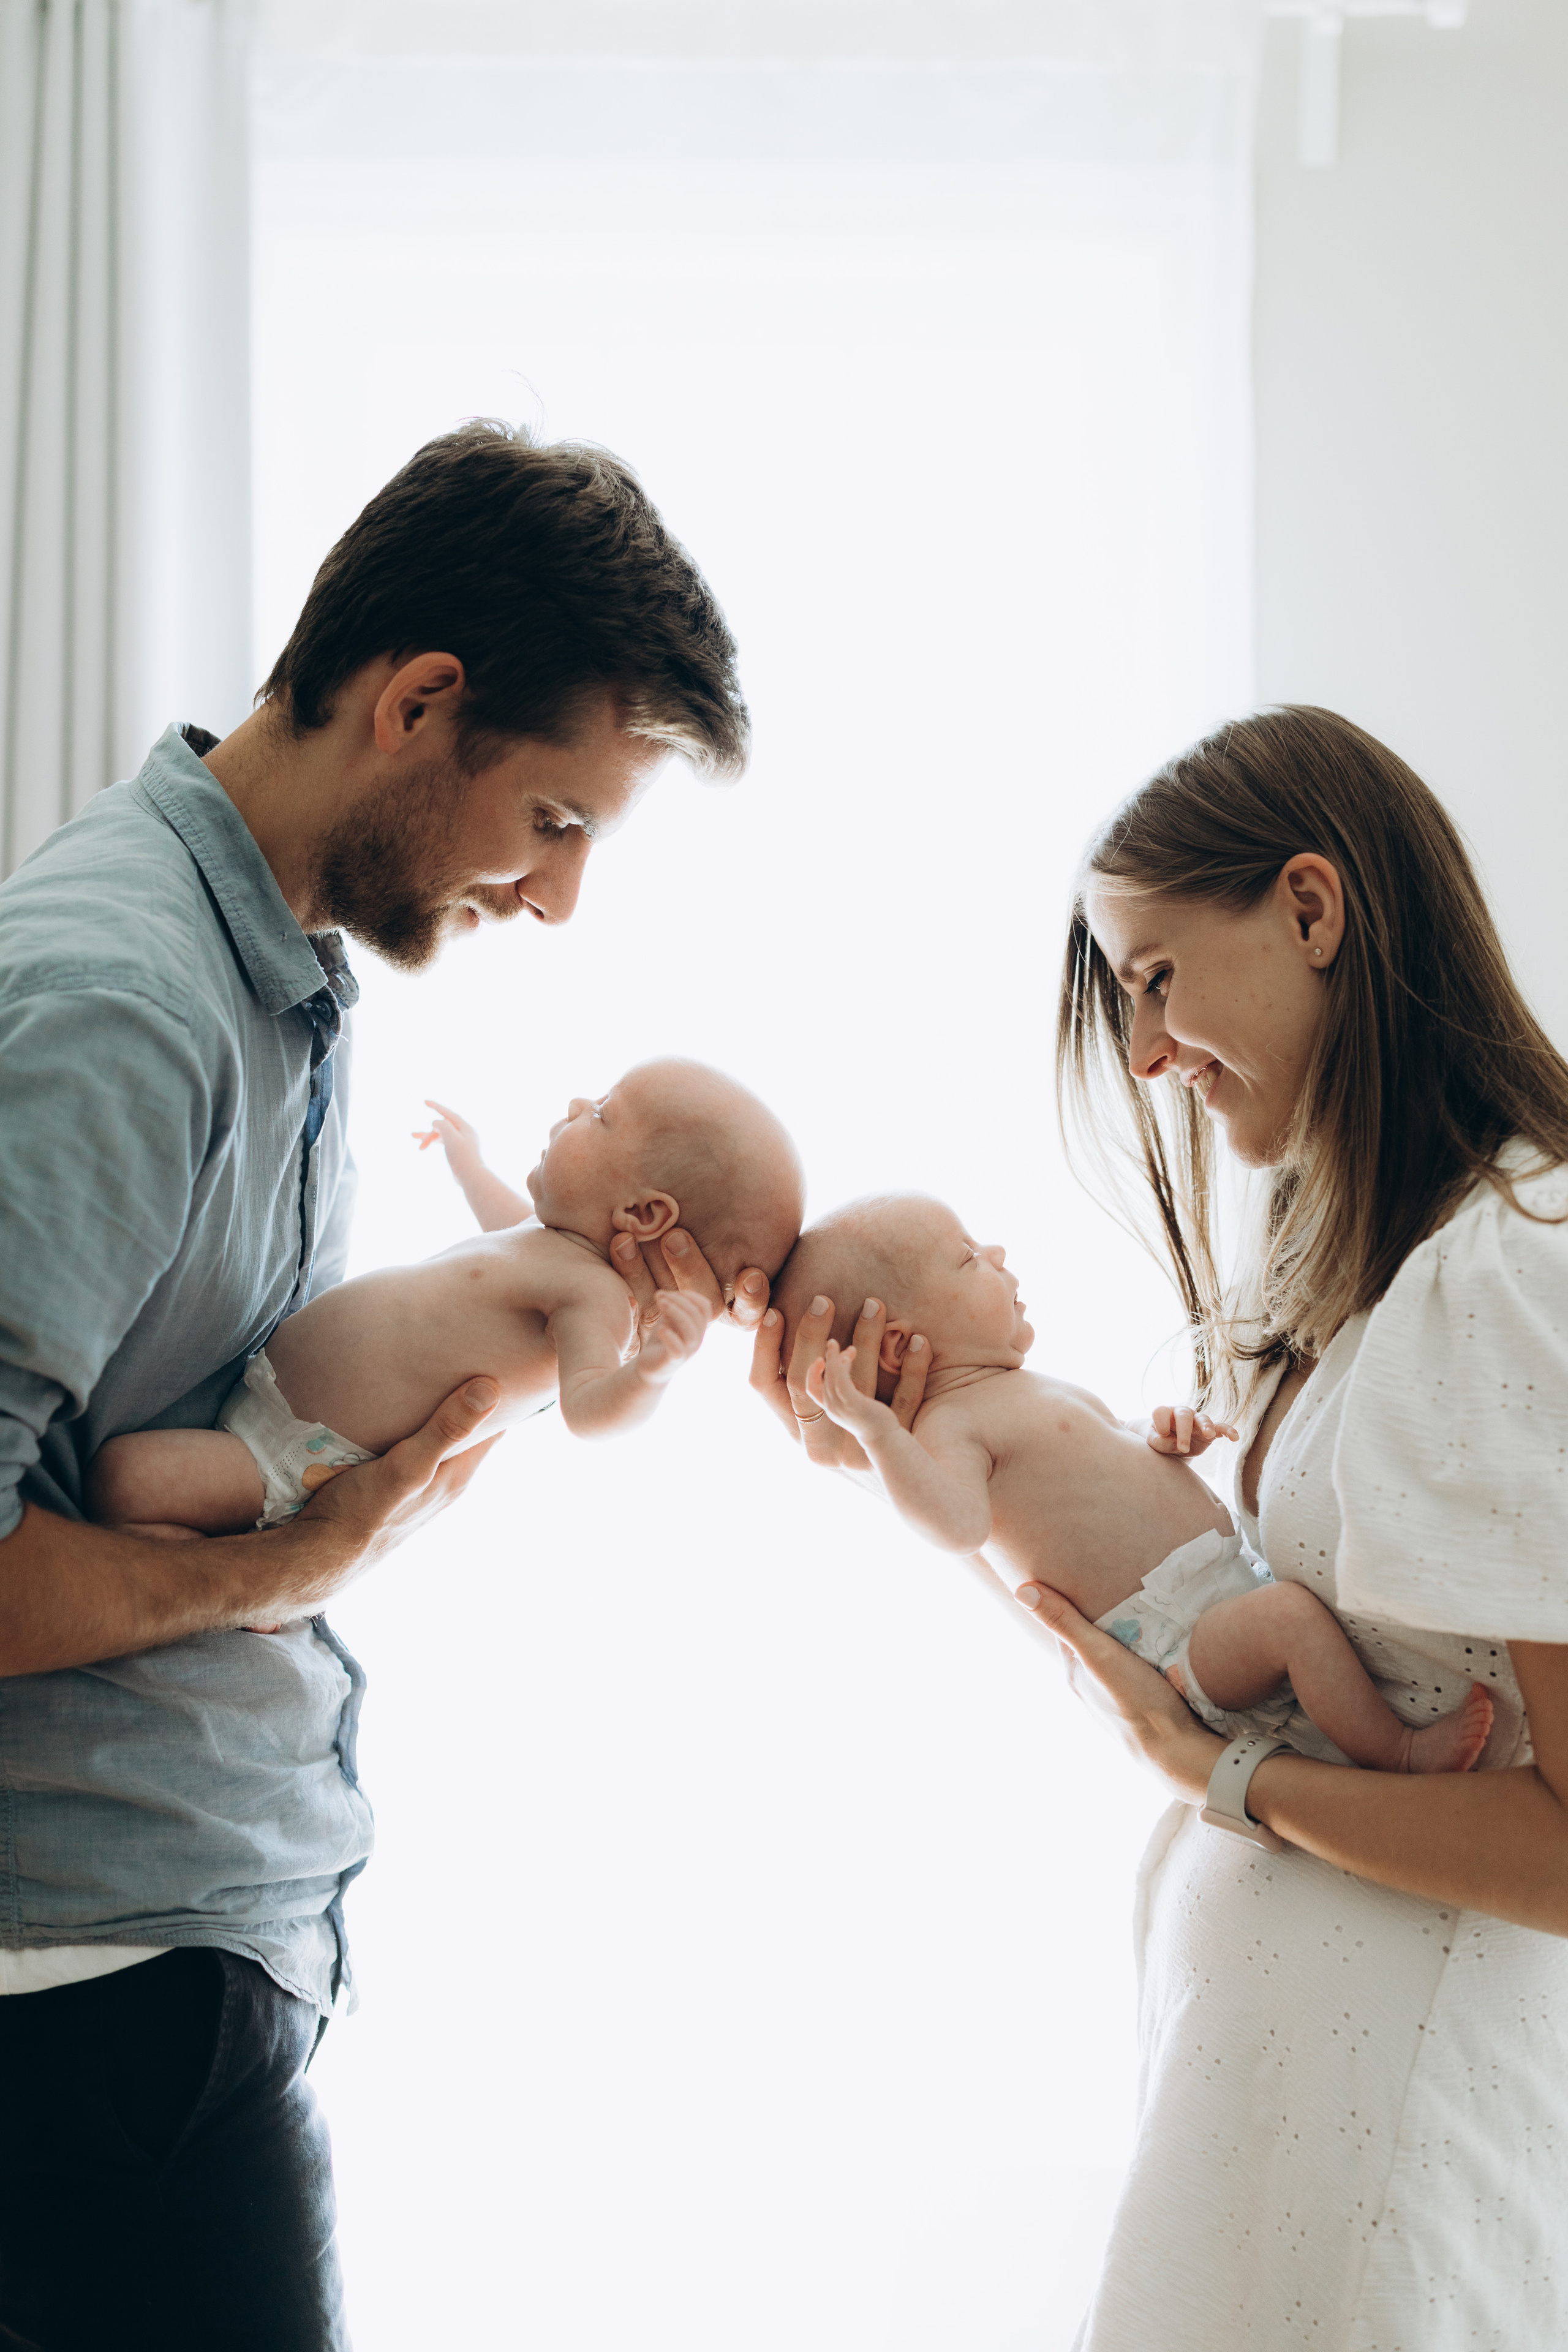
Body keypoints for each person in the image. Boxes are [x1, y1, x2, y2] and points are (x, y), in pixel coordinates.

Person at [0, 420, 767, 2352]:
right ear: (419, 704)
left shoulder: (274, 971)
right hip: (90, 2002)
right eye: (557, 817)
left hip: (169, 1963)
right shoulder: (127, 1004)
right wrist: (296, 1561)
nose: (560, 896)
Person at [749, 706, 1568, 2349]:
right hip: (1298, 2111)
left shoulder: (1502, 1264)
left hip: (1384, 2141)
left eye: (1154, 978)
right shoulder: (1388, 1269)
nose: (1141, 1055)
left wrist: (1222, 1777)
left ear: (1310, 909)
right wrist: (898, 1439)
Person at [775, 1193, 1493, 1775]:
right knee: (1291, 1619)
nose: (997, 1255)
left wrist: (1166, 1436)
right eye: (967, 1257)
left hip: (1219, 1590)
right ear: (899, 1344)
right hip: (1179, 1640)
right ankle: (1397, 1753)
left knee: (1294, 1616)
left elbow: (1113, 1455)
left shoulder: (1022, 1388)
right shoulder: (948, 1428)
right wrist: (878, 1434)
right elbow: (957, 1529)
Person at [87, 1060, 804, 1538]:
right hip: (270, 1409)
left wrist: (650, 1372)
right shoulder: (550, 1244)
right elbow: (499, 1218)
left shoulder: (593, 1300)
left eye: (603, 1114)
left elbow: (588, 1409)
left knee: (121, 1482)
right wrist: (468, 1162)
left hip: (285, 1457)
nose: (576, 1105)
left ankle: (229, 1575)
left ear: (643, 1214)